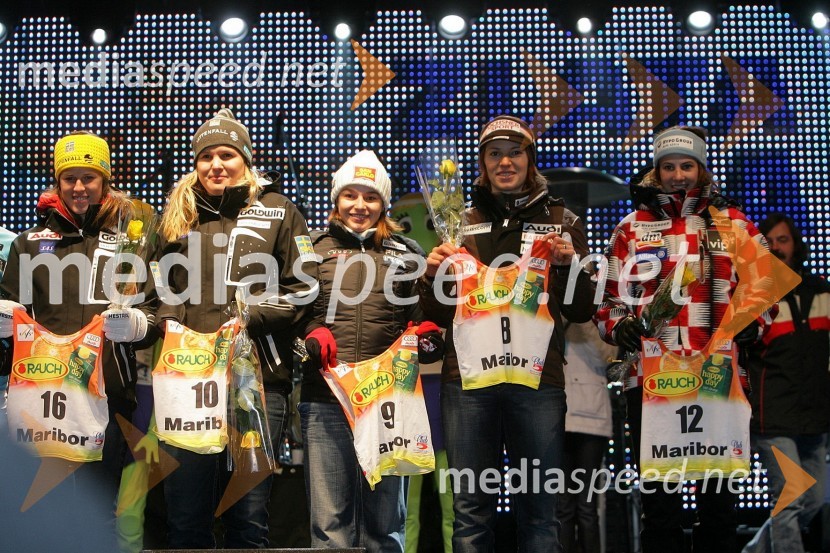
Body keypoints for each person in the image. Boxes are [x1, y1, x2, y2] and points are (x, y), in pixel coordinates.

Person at [418, 115, 596, 552]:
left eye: (514, 152)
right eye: (494, 154)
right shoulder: (458, 221)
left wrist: (569, 265)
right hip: (468, 385)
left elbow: (581, 308)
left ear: (529, 159)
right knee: (470, 511)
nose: (505, 162)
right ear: (483, 163)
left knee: (539, 510)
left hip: (537, 383)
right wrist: (432, 274)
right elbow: (439, 313)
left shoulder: (562, 220)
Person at [594, 125, 773, 553]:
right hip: (652, 380)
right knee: (660, 508)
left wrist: (754, 323)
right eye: (668, 166)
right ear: (656, 171)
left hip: (719, 378)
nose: (678, 175)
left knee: (718, 505)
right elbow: (608, 300)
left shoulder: (734, 223)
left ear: (702, 169)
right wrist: (621, 326)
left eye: (687, 165)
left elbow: (765, 289)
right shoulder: (631, 227)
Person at [154, 108, 317, 549]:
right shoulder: (176, 219)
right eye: (206, 156)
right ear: (196, 163)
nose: (216, 165)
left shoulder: (279, 210)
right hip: (189, 381)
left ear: (245, 159)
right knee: (186, 520)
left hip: (260, 381)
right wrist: (172, 321)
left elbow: (304, 288)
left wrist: (251, 316)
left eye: (227, 154)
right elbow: (157, 286)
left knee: (249, 521)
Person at [0, 131, 157, 547]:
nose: (79, 187)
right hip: (41, 395)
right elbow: (10, 305)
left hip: (108, 395)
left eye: (89, 177)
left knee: (99, 513)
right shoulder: (29, 244)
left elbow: (158, 309)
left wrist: (140, 324)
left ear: (105, 181)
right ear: (57, 182)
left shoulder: (130, 240)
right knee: (38, 511)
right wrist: (3, 318)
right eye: (69, 178)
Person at [299, 149, 439, 553]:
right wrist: (310, 331)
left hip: (386, 402)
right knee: (330, 528)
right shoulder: (311, 248)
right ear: (336, 199)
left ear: (384, 203)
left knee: (384, 526)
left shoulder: (407, 251)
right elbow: (294, 313)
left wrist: (428, 335)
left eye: (371, 196)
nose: (360, 205)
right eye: (351, 195)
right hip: (326, 399)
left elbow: (419, 321)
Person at [741, 213, 830, 553]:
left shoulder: (821, 291)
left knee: (814, 500)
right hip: (773, 416)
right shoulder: (751, 296)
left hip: (816, 415)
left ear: (795, 245)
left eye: (783, 240)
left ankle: (755, 550)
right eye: (770, 241)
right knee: (790, 498)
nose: (776, 247)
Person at [558, 318, 615, 553]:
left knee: (587, 506)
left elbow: (609, 357)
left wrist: (584, 318)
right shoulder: (553, 310)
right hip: (558, 417)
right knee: (562, 507)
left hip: (593, 420)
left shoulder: (600, 315)